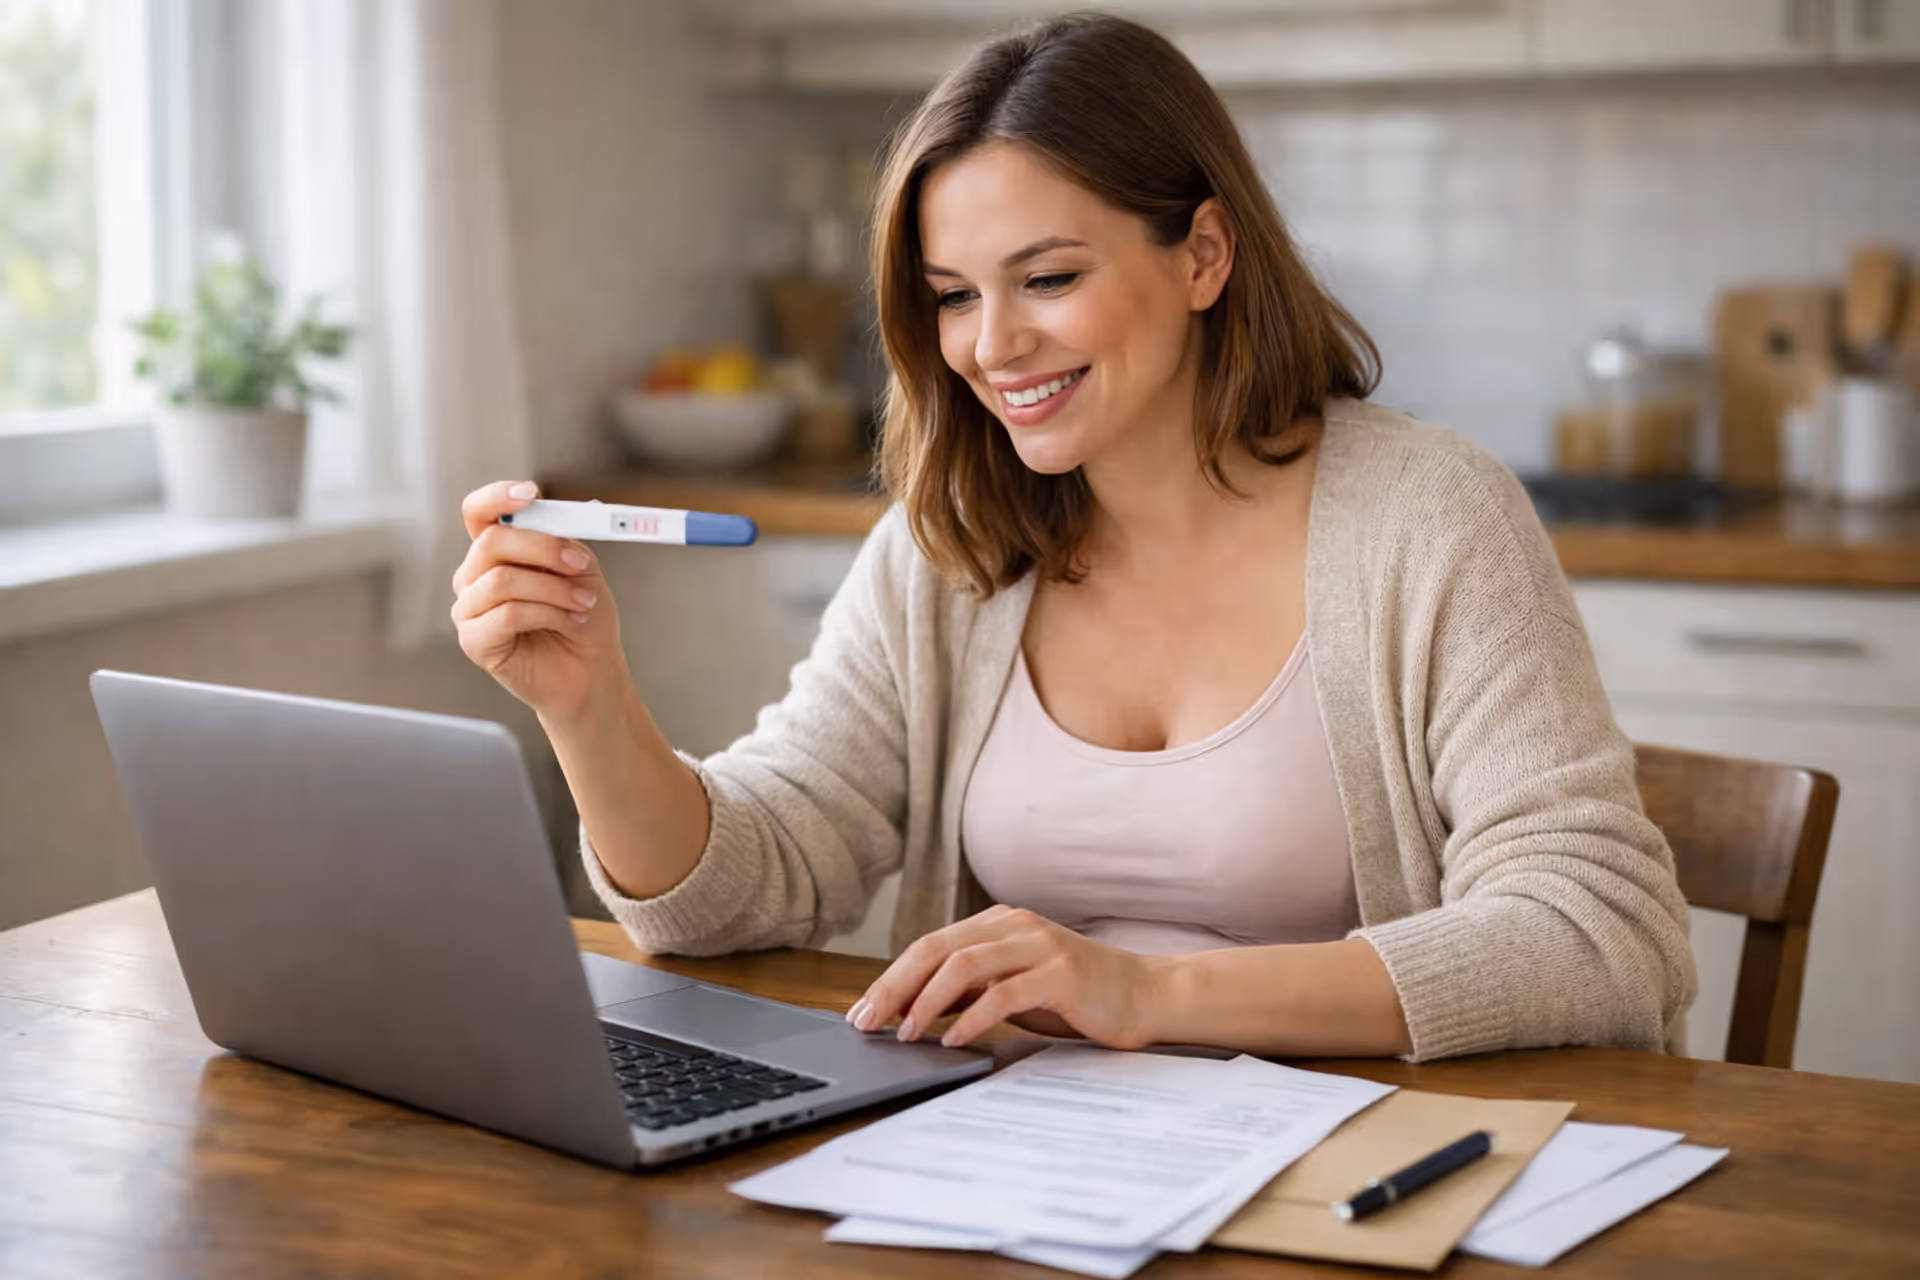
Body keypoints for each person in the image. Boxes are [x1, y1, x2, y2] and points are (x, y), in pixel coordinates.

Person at [451, 13, 1695, 1064]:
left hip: (1356, 1175)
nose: (992, 346)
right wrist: (587, 701)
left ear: (1203, 253)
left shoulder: (1429, 517)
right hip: (1037, 1180)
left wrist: (1147, 994)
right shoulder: (951, 545)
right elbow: (744, 881)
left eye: (1046, 278)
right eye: (952, 295)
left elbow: (1598, 929)